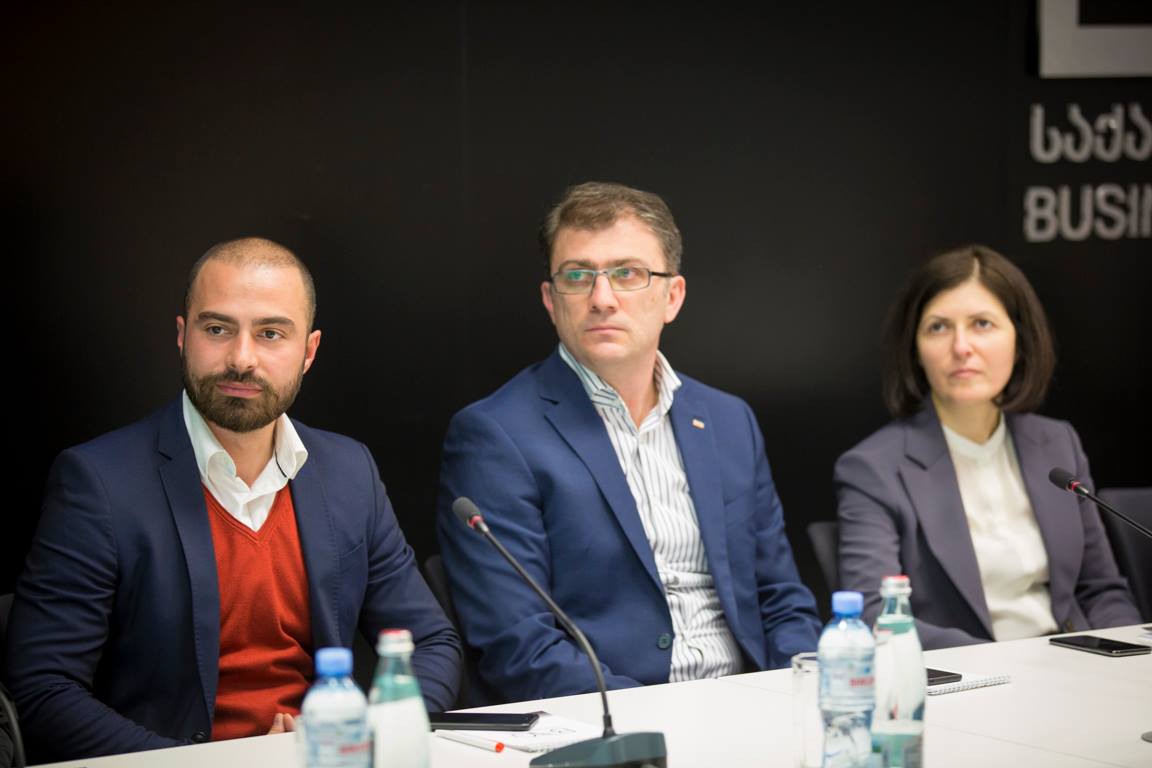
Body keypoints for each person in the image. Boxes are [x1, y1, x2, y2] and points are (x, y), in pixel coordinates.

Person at [2, 238, 461, 762]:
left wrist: (361, 740)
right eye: (218, 329)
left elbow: (429, 644)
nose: (242, 359)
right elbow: (43, 689)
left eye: (271, 333)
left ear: (309, 352)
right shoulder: (99, 481)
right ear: (183, 336)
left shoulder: (348, 471)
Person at [437, 181, 820, 704]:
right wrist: (653, 722)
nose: (602, 298)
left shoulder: (729, 421)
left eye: (628, 274)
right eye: (577, 276)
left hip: (754, 702)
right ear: (551, 300)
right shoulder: (495, 435)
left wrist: (803, 691)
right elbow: (520, 646)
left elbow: (782, 600)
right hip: (613, 717)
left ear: (672, 297)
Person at [835, 245, 1139, 649]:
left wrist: (1132, 656)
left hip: (1076, 664)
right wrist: (1006, 665)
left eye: (982, 323)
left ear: (1020, 340)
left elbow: (1100, 590)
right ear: (915, 350)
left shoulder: (1057, 444)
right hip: (969, 675)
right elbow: (876, 615)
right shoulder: (874, 468)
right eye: (938, 327)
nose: (961, 347)